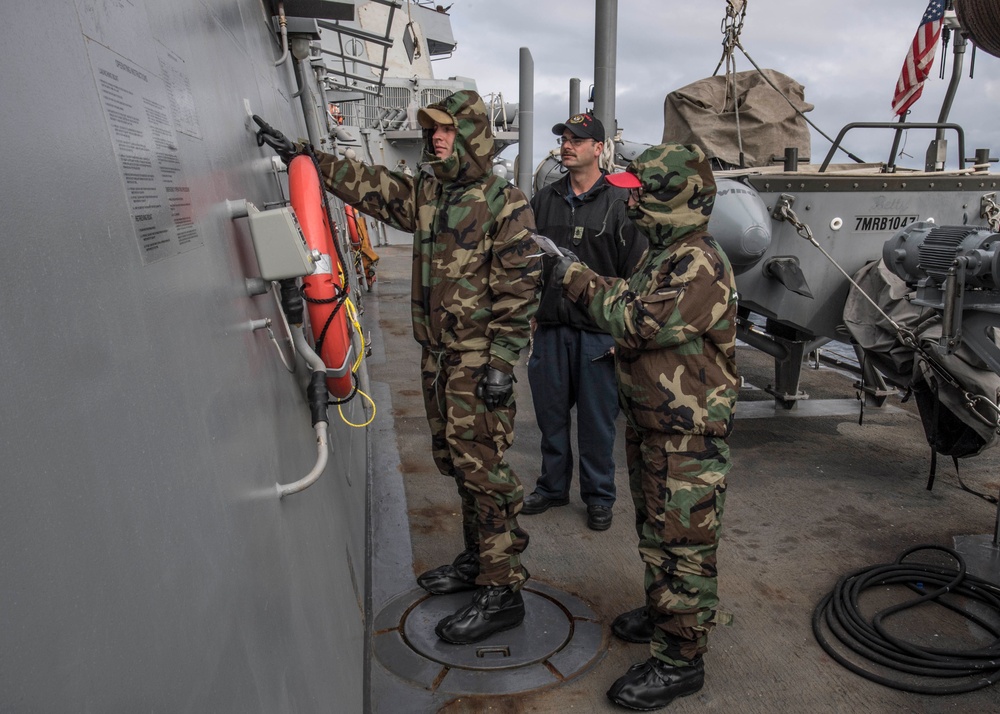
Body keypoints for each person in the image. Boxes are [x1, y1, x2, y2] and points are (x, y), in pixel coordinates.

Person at [255, 90, 541, 644]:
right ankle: (477, 560)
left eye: (447, 130)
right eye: (431, 130)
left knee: (485, 474)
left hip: (478, 363)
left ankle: (503, 590)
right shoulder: (432, 193)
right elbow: (375, 188)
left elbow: (520, 290)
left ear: (473, 136)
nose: (436, 138)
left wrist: (502, 365)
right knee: (458, 465)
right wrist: (305, 156)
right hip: (438, 359)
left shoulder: (506, 203)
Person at [549, 143, 738, 710]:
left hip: (689, 436)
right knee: (657, 535)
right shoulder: (665, 254)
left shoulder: (699, 262)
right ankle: (664, 612)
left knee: (684, 544)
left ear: (675, 196)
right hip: (656, 425)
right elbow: (631, 301)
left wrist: (573, 275)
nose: (632, 200)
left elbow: (636, 319)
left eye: (643, 192)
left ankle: (681, 658)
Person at [523, 113, 646, 531]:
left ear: (599, 149)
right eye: (565, 138)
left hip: (599, 335)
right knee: (551, 417)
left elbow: (635, 272)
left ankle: (598, 497)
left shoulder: (619, 202)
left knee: (597, 424)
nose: (568, 144)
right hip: (552, 328)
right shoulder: (546, 199)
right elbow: (530, 264)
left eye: (578, 139)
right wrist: (532, 317)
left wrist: (621, 334)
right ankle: (553, 487)